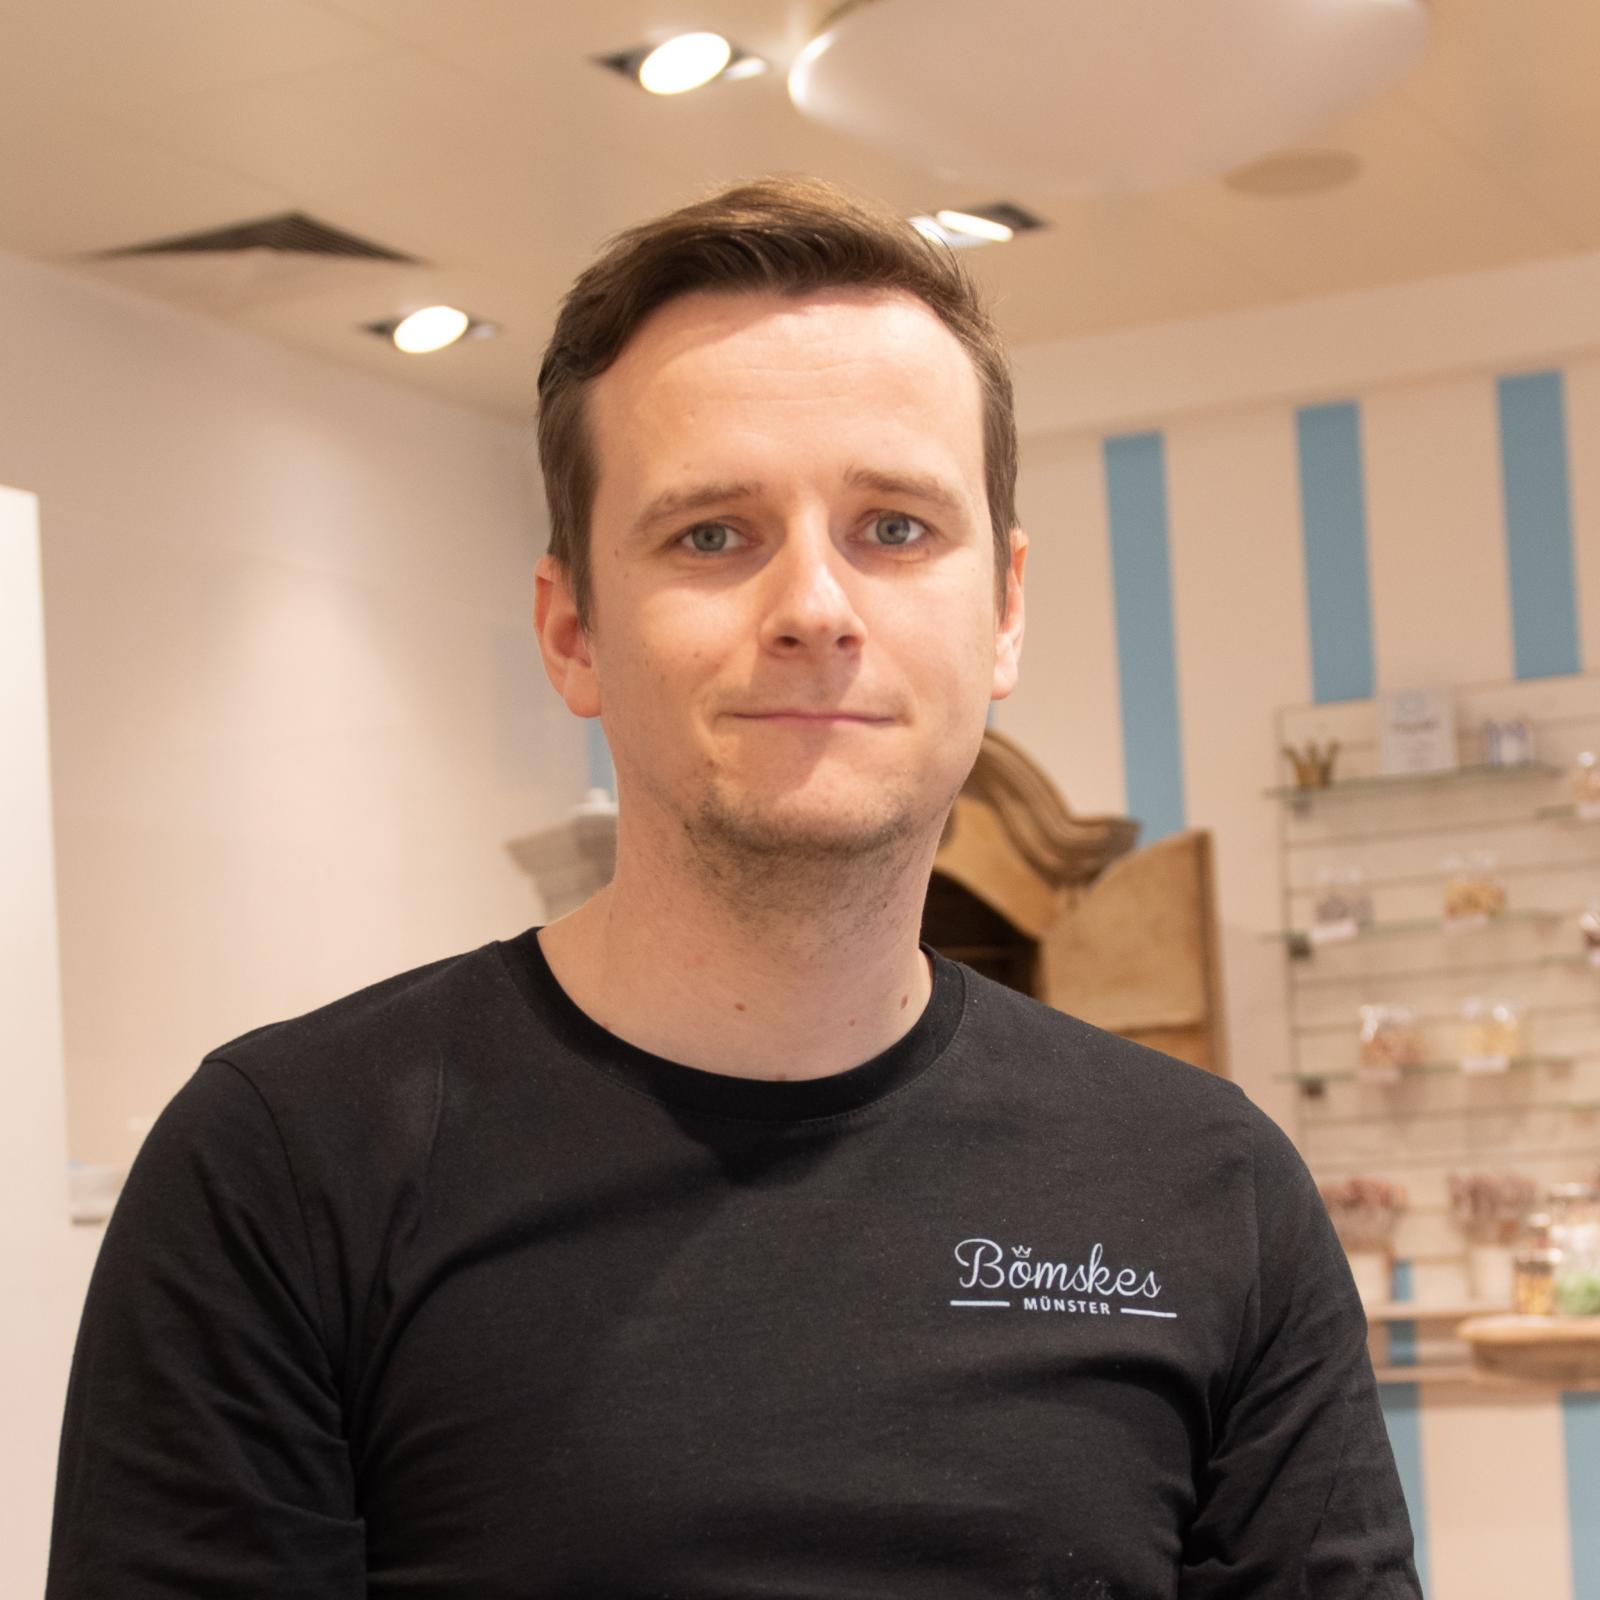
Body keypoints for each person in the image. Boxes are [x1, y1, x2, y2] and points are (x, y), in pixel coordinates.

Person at [47, 176, 1422, 1599]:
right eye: (712, 534)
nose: (815, 609)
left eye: (896, 528)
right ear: (572, 631)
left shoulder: (1209, 1186)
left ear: (1005, 609)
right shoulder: (290, 1165)